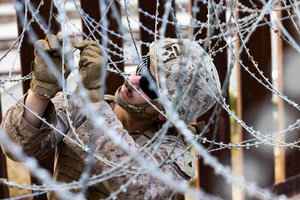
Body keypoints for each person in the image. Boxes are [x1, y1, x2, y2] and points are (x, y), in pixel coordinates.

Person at [1, 35, 221, 199]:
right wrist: (41, 90)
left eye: (149, 85)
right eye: (142, 67)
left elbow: (136, 187)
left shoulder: (173, 154)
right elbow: (16, 147)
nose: (134, 80)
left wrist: (94, 104)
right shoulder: (80, 108)